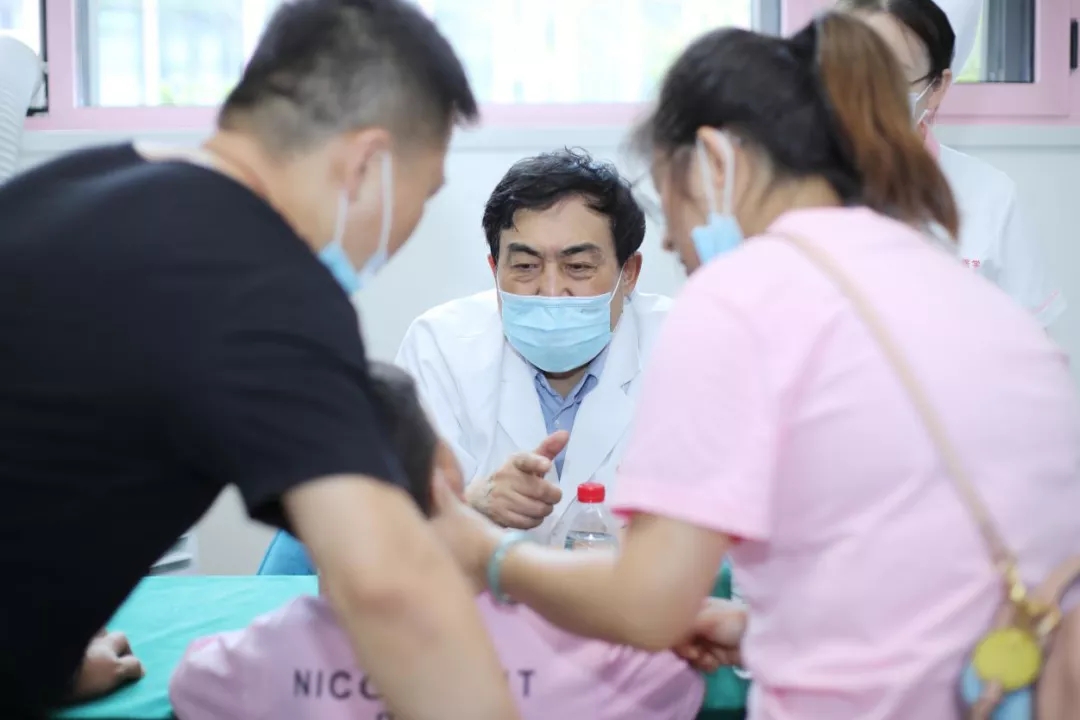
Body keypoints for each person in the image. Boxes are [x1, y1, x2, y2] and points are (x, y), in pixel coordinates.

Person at [430, 12, 1080, 720]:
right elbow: (909, 561)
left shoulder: (744, 297)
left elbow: (646, 606)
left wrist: (487, 554)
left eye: (668, 202)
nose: (674, 243)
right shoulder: (949, 284)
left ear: (715, 159)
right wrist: (764, 628)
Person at [0, 1, 518, 718]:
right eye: (424, 195)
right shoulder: (265, 284)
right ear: (366, 164)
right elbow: (389, 589)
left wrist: (39, 656)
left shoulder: (78, 184)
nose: (409, 227)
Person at [170, 362, 707, 720]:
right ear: (448, 472)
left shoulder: (254, 664)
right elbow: (675, 676)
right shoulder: (597, 661)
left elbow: (191, 684)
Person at [839, 0, 1065, 326]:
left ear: (937, 88)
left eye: (892, 75)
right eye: (849, 71)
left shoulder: (990, 196)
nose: (867, 92)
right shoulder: (795, 187)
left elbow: (1030, 340)